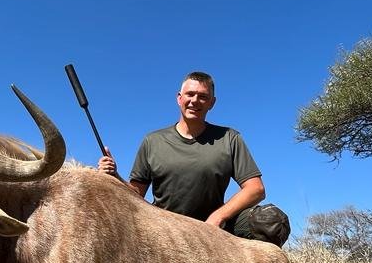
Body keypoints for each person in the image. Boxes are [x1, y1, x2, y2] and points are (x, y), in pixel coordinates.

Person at [98, 71, 289, 246]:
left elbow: (256, 189)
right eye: (190, 94)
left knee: (271, 220)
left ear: (212, 102)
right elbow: (135, 194)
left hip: (213, 227)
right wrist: (114, 176)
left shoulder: (229, 138)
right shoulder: (152, 141)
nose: (195, 101)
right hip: (163, 227)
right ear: (179, 99)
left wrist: (217, 218)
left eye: (203, 96)